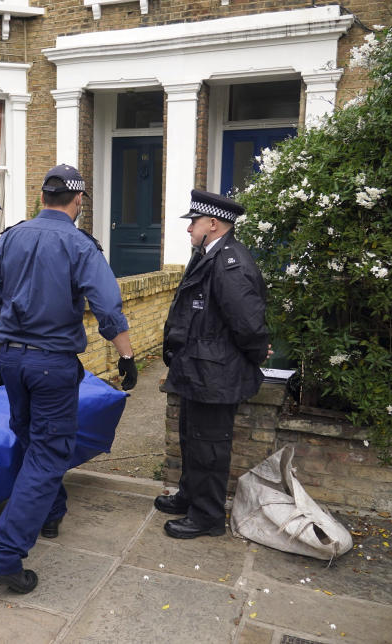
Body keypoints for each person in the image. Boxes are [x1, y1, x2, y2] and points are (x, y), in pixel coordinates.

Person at [0, 164, 138, 594]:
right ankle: (5, 555)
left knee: (31, 439)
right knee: (50, 453)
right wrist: (126, 357)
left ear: (44, 197)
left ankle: (50, 512)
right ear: (78, 200)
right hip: (51, 365)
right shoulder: (78, 244)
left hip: (12, 359)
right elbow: (108, 306)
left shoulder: (11, 236)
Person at [155, 189, 269, 539]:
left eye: (194, 222)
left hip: (216, 374)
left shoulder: (230, 262)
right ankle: (191, 496)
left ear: (214, 223)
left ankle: (206, 516)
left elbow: (247, 324)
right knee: (193, 440)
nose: (189, 228)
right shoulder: (209, 253)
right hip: (198, 370)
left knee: (210, 447)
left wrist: (256, 353)